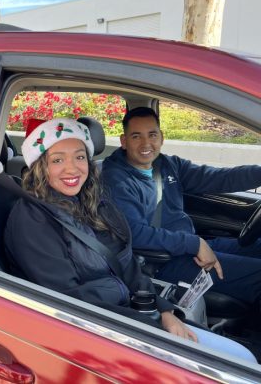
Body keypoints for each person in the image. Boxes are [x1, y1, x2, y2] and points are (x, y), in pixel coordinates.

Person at [4, 117, 256, 362]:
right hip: (105, 329)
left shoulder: (92, 200)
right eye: (58, 160)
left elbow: (125, 262)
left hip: (132, 309)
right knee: (240, 359)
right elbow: (71, 304)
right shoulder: (32, 220)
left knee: (240, 356)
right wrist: (150, 325)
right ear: (40, 165)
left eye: (79, 157)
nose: (72, 168)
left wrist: (163, 309)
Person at [101, 107, 261, 307]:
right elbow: (134, 233)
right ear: (124, 141)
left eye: (152, 135)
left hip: (185, 248)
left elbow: (219, 178)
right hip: (161, 263)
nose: (146, 143)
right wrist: (194, 244)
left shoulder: (167, 165)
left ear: (161, 137)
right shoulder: (115, 180)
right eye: (136, 136)